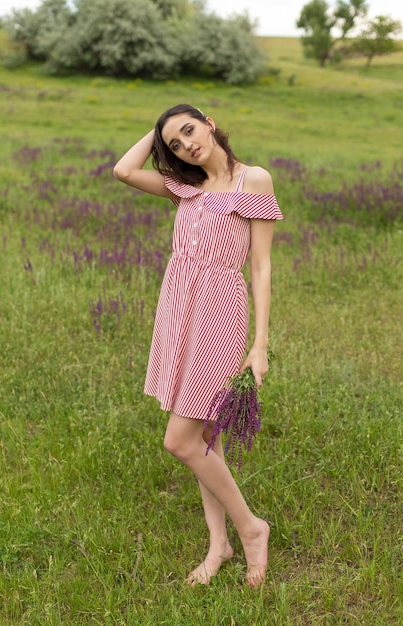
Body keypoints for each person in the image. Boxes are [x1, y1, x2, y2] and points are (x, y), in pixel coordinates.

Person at [113, 104, 283, 587]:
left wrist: (261, 343)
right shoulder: (183, 188)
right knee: (208, 439)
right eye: (173, 144)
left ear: (209, 122)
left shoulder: (253, 180)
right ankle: (219, 546)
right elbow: (124, 170)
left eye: (188, 130)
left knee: (181, 440)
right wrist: (157, 131)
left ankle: (251, 530)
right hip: (178, 312)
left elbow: (262, 267)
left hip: (219, 313)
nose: (185, 144)